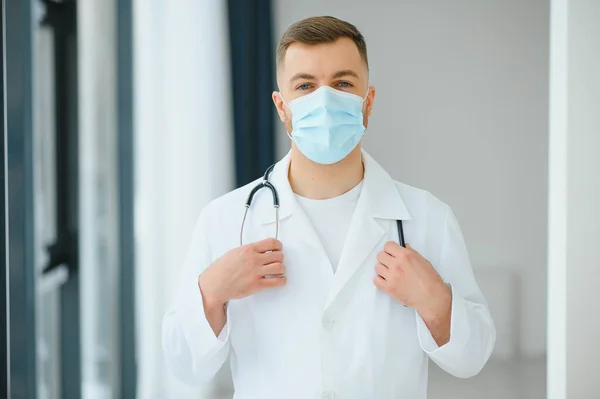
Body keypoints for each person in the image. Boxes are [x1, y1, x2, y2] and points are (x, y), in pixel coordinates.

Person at [162, 15, 495, 399]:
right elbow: (184, 367)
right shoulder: (226, 219)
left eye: (342, 83)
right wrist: (211, 292)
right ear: (281, 106)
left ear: (367, 101)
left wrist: (435, 301)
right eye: (305, 85)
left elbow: (472, 359)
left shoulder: (427, 218)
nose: (324, 100)